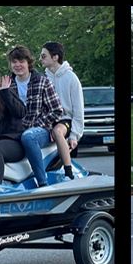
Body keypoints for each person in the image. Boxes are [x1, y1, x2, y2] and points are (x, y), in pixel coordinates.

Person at [5, 46, 62, 188]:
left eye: (21, 61)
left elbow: (57, 110)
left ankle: (42, 183)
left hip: (41, 130)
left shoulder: (42, 81)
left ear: (28, 63)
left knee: (28, 137)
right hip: (16, 129)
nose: (18, 65)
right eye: (14, 62)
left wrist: (36, 124)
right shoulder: (7, 84)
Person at [40, 42, 83, 180]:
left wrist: (74, 135)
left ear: (55, 57)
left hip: (65, 120)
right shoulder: (43, 78)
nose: (41, 59)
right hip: (48, 119)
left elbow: (78, 110)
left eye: (43, 56)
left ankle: (68, 173)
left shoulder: (71, 78)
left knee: (57, 132)